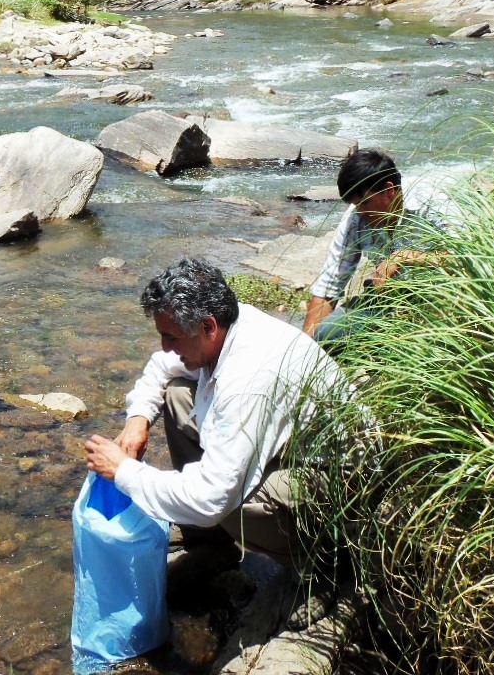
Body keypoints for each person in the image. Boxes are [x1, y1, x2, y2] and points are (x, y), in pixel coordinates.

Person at [83, 257, 357, 570]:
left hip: (336, 483)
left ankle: (319, 567)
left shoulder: (247, 378)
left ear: (208, 327)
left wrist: (124, 472)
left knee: (226, 505)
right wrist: (138, 420)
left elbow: (212, 498)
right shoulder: (227, 326)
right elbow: (161, 365)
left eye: (171, 337)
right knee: (176, 393)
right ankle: (210, 542)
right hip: (288, 447)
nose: (165, 346)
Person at [302, 148, 439, 345]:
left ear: (389, 190)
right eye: (356, 205)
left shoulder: (432, 199)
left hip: (441, 299)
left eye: (364, 203)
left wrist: (404, 257)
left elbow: (469, 261)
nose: (360, 212)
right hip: (388, 300)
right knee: (327, 333)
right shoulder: (355, 218)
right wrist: (305, 350)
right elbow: (328, 288)